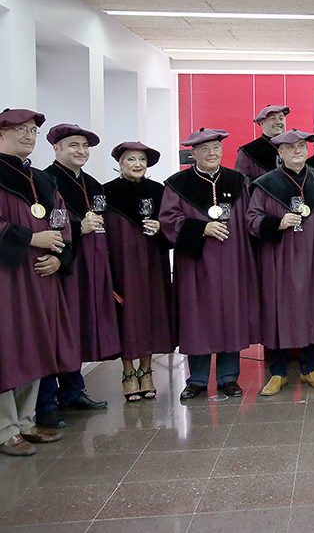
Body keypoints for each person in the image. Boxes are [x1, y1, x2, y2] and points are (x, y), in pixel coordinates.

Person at [160, 128, 260, 400]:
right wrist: (201, 229)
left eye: (216, 147)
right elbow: (168, 220)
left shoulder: (237, 180)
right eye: (204, 149)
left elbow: (251, 217)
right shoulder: (177, 184)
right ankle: (198, 380)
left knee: (231, 315)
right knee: (198, 318)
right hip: (196, 263)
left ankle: (229, 378)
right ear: (193, 153)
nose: (212, 153)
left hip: (232, 259)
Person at [0, 108, 73, 456]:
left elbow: (61, 221)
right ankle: (4, 428)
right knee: (9, 347)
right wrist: (31, 239)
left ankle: (27, 422)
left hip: (41, 275)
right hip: (7, 277)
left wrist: (59, 254)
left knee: (35, 345)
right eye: (20, 130)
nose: (29, 136)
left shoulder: (42, 180)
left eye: (32, 130)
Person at [38, 123, 118, 428]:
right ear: (57, 148)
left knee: (78, 326)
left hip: (91, 265)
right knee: (59, 330)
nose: (80, 151)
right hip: (64, 266)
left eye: (84, 146)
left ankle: (72, 390)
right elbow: (49, 222)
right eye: (73, 145)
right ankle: (48, 399)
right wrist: (76, 226)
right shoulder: (46, 181)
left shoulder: (92, 183)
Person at [248, 130, 314, 394]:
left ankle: (310, 369)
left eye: (301, 146)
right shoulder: (266, 184)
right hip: (279, 258)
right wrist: (277, 222)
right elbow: (251, 220)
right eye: (290, 147)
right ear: (280, 152)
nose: (297, 150)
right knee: (278, 311)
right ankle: (278, 372)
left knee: (311, 309)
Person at [103, 142, 176, 402]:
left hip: (152, 262)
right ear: (120, 163)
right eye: (131, 159)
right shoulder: (107, 193)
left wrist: (161, 228)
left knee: (150, 313)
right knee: (127, 315)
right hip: (122, 264)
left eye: (142, 159)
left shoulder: (158, 191)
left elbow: (171, 229)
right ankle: (127, 372)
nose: (137, 164)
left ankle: (146, 371)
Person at [234, 105, 288, 180]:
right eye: (273, 118)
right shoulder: (248, 151)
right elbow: (240, 183)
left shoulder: (291, 146)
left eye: (281, 118)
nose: (278, 122)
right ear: (262, 123)